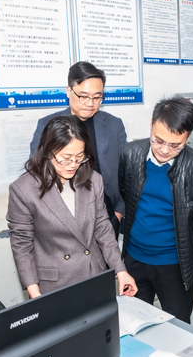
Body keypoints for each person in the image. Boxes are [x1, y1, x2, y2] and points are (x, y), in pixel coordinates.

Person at [8, 115, 137, 298]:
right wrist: (34, 292)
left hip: (94, 275)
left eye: (79, 157)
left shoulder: (94, 180)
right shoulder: (23, 189)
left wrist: (120, 270)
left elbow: (103, 229)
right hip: (54, 285)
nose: (73, 165)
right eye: (66, 158)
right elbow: (22, 245)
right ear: (47, 151)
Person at [118, 97, 193, 323]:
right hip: (134, 257)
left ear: (188, 136)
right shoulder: (130, 153)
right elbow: (126, 194)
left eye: (175, 145)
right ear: (151, 124)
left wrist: (180, 232)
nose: (165, 150)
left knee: (178, 326)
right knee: (134, 321)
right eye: (158, 141)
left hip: (174, 264)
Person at [30, 62, 127, 237]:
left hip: (107, 213)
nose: (90, 103)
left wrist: (118, 213)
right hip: (63, 217)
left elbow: (126, 172)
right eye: (83, 96)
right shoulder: (47, 125)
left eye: (97, 97)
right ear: (69, 91)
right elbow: (36, 172)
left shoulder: (114, 125)